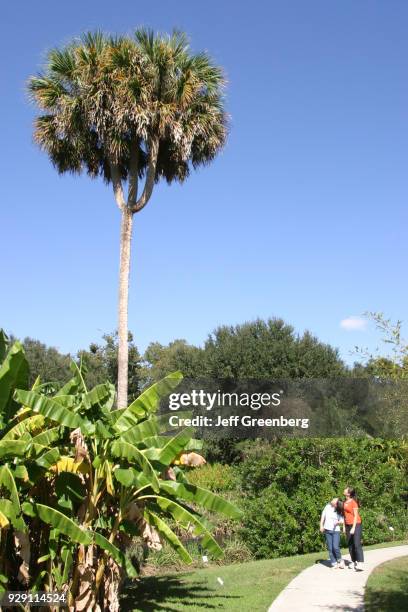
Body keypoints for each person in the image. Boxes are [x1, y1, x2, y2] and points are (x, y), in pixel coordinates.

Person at [343, 486, 364, 571]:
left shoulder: (353, 502)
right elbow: (344, 516)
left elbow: (355, 516)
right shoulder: (345, 502)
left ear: (348, 493)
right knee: (350, 544)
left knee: (356, 543)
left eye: (346, 489)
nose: (344, 489)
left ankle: (360, 563)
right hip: (348, 525)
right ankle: (353, 561)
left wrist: (353, 527)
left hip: (356, 524)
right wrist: (344, 527)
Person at [320, 497, 345, 568]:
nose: (333, 499)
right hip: (327, 530)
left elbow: (342, 520)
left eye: (335, 500)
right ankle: (334, 563)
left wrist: (338, 522)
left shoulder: (338, 510)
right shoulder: (327, 506)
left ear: (336, 504)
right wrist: (321, 525)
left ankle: (340, 560)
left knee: (335, 547)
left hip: (336, 531)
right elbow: (323, 516)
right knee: (330, 548)